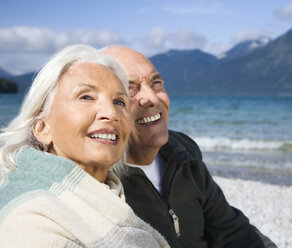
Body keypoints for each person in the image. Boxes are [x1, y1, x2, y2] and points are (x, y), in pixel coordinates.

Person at [102, 45, 277, 247]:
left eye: (156, 83)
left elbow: (231, 230)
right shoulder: (102, 181)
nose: (151, 97)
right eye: (130, 88)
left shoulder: (183, 152)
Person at [0, 45, 169, 248]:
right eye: (86, 97)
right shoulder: (29, 220)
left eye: (119, 101)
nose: (111, 113)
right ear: (43, 128)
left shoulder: (111, 195)